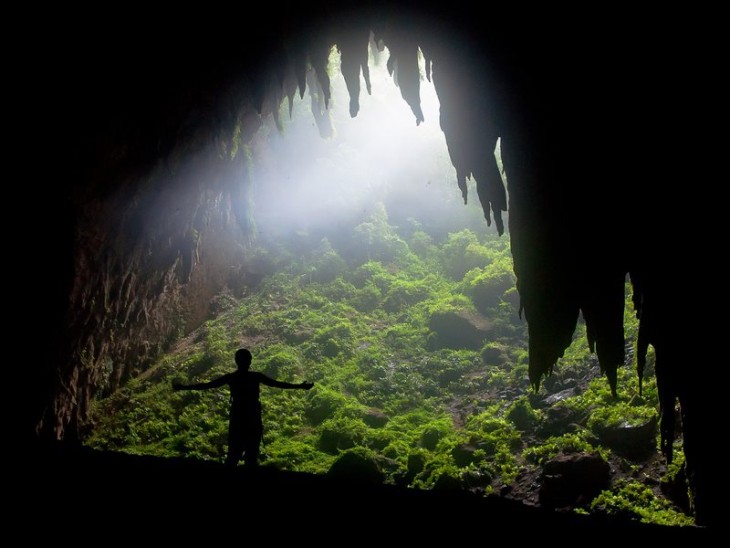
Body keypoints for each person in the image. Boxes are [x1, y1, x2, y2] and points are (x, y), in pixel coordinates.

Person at [173, 348, 313, 467]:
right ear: (250, 361)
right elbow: (277, 384)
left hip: (238, 417)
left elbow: (206, 385)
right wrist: (299, 386)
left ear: (236, 361)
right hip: (252, 418)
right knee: (251, 455)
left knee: (234, 454)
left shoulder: (232, 377)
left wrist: (183, 387)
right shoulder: (255, 377)